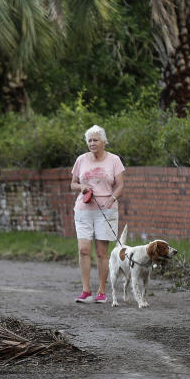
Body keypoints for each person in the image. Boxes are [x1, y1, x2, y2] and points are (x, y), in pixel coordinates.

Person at [70, 124, 126, 303]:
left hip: (106, 210)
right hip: (83, 209)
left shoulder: (114, 160)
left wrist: (113, 198)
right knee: (83, 249)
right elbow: (73, 183)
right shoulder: (81, 160)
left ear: (103, 142)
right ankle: (86, 290)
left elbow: (120, 185)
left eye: (95, 140)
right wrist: (81, 186)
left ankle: (101, 291)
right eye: (89, 140)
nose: (92, 143)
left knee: (102, 253)